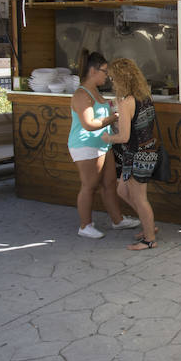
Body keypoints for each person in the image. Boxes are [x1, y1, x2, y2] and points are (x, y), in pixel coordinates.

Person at [68, 50, 140, 239]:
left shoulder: (95, 91)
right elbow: (89, 124)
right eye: (104, 71)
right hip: (85, 145)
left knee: (109, 183)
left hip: (102, 144)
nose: (107, 76)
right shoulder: (81, 95)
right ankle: (85, 225)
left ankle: (117, 220)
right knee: (89, 185)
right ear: (93, 71)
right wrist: (113, 117)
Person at [101, 58, 159, 251]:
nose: (111, 81)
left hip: (136, 154)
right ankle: (148, 223)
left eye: (112, 77)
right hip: (147, 150)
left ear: (120, 79)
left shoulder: (127, 102)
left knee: (139, 198)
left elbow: (124, 136)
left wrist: (108, 137)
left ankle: (149, 239)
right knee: (122, 191)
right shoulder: (145, 96)